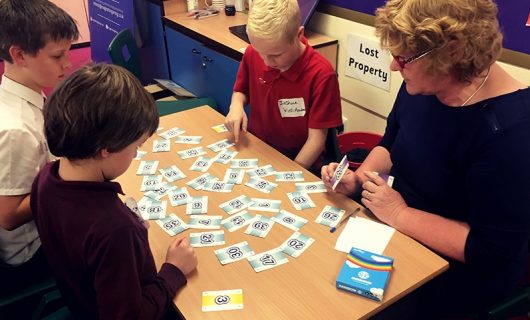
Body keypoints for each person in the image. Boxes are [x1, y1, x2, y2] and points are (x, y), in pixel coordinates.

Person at [322, 0, 530, 317]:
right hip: (400, 228)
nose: (393, 66)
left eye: (403, 58)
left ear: (453, 52)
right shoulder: (424, 83)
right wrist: (358, 178)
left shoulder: (512, 133)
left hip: (459, 271)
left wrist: (400, 214)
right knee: (322, 278)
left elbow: (492, 251)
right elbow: (391, 143)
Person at [31, 63, 198, 319]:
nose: (137, 154)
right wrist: (173, 271)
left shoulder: (46, 178)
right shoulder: (114, 228)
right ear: (106, 148)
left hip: (80, 300)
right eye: (136, 147)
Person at [0, 0, 78, 295]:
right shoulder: (15, 129)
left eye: (68, 53)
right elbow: (7, 216)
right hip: (32, 254)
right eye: (57, 56)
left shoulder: (26, 95)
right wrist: (68, 180)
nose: (68, 64)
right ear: (19, 55)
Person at [224, 0, 342, 170]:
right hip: (259, 149)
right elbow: (241, 90)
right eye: (260, 52)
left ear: (299, 34)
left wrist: (288, 174)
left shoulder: (322, 75)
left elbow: (316, 141)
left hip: (299, 162)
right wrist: (236, 105)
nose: (267, 61)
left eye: (276, 55)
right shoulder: (252, 53)